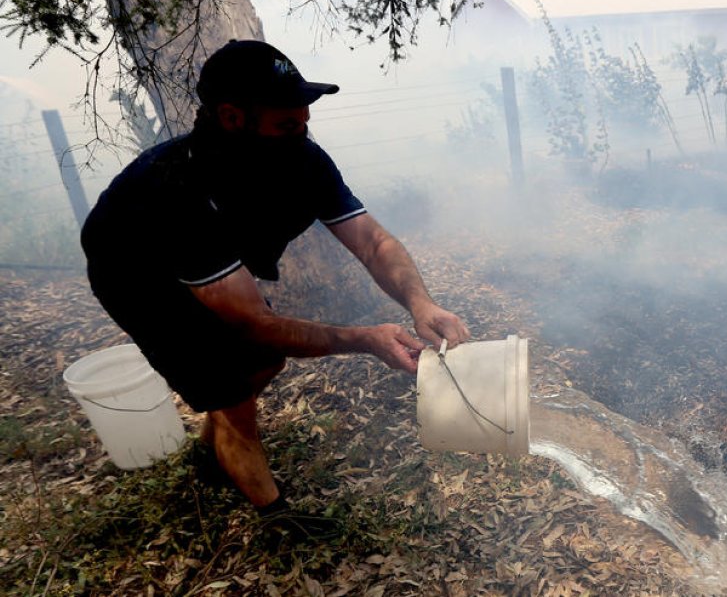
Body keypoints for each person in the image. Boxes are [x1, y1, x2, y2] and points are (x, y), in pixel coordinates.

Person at [80, 40, 470, 529]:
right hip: (137, 273)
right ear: (232, 117)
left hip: (214, 268)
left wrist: (420, 302)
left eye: (305, 120)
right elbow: (253, 323)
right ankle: (274, 515)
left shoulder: (302, 159)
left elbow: (371, 241)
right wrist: (365, 340)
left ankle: (214, 445)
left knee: (263, 365)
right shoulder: (175, 190)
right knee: (231, 380)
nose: (302, 133)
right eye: (286, 123)